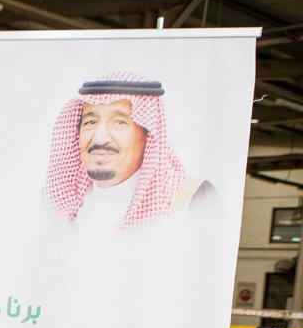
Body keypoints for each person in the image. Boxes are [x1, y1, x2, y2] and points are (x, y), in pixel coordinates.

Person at [45, 74, 212, 233]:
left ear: (148, 135)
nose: (99, 137)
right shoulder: (52, 207)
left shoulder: (191, 200)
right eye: (91, 122)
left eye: (119, 122)